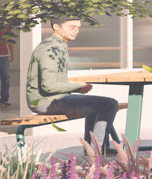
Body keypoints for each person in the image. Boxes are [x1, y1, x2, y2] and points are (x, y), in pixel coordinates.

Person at [26, 20, 124, 151]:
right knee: (109, 104)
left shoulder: (55, 45)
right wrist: (77, 87)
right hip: (47, 102)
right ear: (56, 27)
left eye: (78, 27)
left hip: (50, 99)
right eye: (72, 27)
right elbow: (48, 86)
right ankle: (97, 150)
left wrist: (75, 86)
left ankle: (93, 147)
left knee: (97, 104)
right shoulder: (51, 49)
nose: (76, 30)